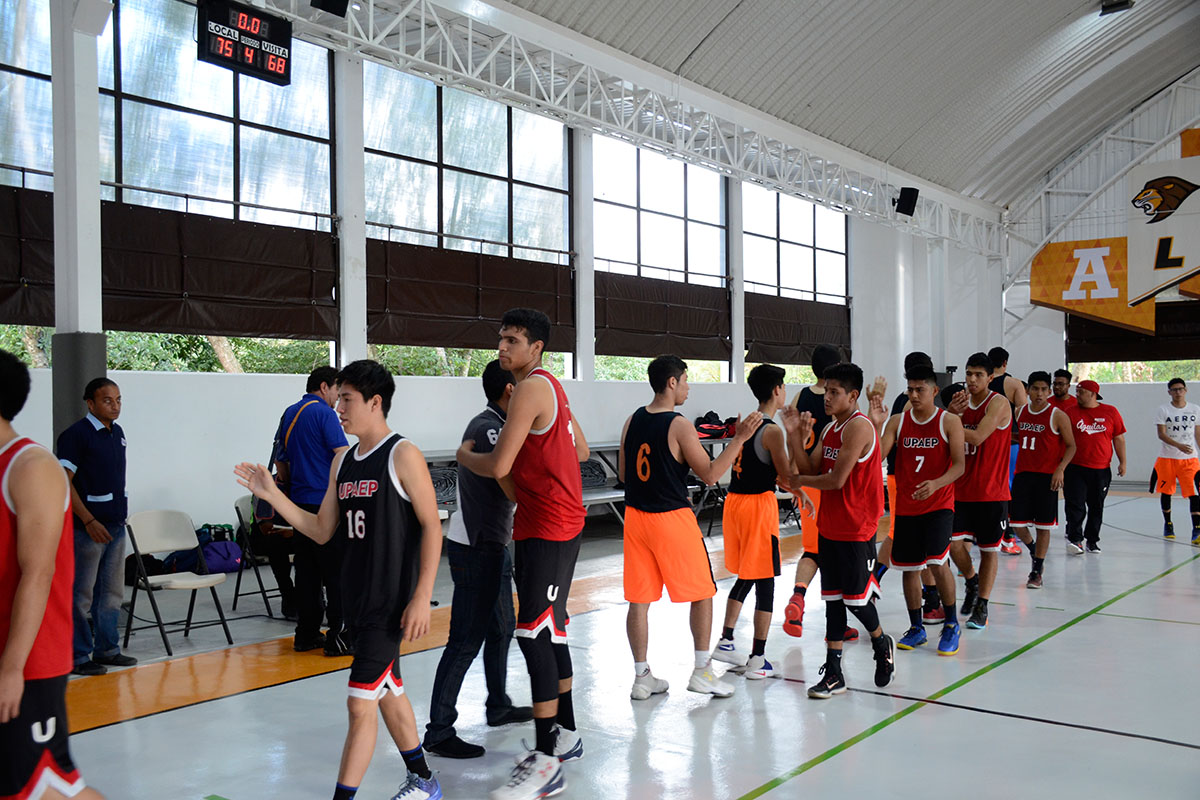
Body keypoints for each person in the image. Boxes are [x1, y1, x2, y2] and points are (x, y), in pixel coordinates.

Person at [236, 360, 443, 800]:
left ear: (375, 402)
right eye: (339, 399)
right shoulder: (342, 461)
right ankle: (423, 779)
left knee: (359, 701)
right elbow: (320, 529)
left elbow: (432, 526)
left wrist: (422, 595)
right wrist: (273, 495)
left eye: (347, 400)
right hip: (355, 599)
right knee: (386, 690)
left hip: (390, 602)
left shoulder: (402, 454)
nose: (339, 409)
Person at [455, 309, 589, 800]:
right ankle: (565, 733)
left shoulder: (533, 387)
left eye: (512, 339)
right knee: (550, 630)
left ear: (536, 348)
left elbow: (497, 463)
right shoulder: (544, 390)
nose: (502, 347)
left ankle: (546, 761)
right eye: (500, 338)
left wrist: (466, 456)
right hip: (540, 524)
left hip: (552, 527)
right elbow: (577, 453)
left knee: (532, 634)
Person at [2, 351, 107, 800]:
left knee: (47, 787)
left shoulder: (31, 466)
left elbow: (38, 574)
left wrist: (11, 667)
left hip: (28, 661)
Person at [619, 355, 756, 701]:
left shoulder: (631, 419)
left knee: (639, 599)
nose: (688, 387)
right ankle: (701, 672)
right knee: (702, 593)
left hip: (635, 518)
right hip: (670, 518)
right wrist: (738, 439)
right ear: (671, 383)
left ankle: (641, 677)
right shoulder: (679, 425)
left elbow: (623, 474)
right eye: (685, 380)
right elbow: (710, 474)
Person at [423, 361, 532, 759]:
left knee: (502, 628)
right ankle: (438, 731)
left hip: (493, 544)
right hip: (475, 546)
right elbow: (510, 481)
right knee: (465, 639)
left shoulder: (499, 424)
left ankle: (498, 704)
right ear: (509, 389)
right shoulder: (487, 427)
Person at [780, 362, 895, 699]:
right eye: (825, 391)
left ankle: (880, 642)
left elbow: (834, 480)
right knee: (832, 601)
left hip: (857, 528)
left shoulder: (858, 428)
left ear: (853, 395)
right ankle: (834, 673)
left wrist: (797, 481)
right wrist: (792, 437)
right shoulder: (831, 428)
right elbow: (809, 466)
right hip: (830, 525)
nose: (826, 397)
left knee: (856, 601)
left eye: (834, 392)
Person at [869, 365, 966, 656]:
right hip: (907, 506)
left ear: (934, 391)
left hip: (938, 504)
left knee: (937, 563)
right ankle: (917, 627)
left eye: (919, 389)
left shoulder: (949, 422)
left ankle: (951, 623)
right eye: (909, 389)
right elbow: (875, 458)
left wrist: (936, 483)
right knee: (909, 569)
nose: (913, 395)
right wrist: (875, 424)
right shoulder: (898, 421)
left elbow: (960, 465)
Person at [710, 365, 793, 679]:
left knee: (748, 574)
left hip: (735, 504)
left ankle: (728, 640)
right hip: (758, 507)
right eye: (783, 386)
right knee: (767, 582)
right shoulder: (771, 430)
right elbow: (787, 475)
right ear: (776, 390)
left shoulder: (746, 422)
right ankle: (758, 658)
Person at [55, 378, 137, 677]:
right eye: (107, 400)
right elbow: (63, 481)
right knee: (82, 594)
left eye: (118, 400)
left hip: (115, 524)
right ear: (90, 403)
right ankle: (78, 654)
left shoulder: (117, 434)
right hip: (87, 528)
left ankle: (108, 648)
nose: (114, 406)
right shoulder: (76, 435)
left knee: (112, 592)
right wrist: (88, 520)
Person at [781, 345, 858, 642]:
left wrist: (795, 479)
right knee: (838, 553)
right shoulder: (842, 400)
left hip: (809, 480)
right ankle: (838, 625)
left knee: (813, 549)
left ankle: (799, 597)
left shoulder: (802, 396)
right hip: (834, 483)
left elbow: (795, 443)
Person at [274, 367, 351, 655]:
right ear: (324, 386)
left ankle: (305, 635)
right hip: (325, 503)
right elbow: (342, 455)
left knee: (306, 571)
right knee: (335, 571)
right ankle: (339, 636)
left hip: (299, 503)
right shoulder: (323, 414)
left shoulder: (289, 413)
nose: (338, 399)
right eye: (337, 391)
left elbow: (281, 464)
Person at [873, 351, 944, 625]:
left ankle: (876, 578)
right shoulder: (912, 407)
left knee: (897, 533)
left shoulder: (902, 400)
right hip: (910, 479)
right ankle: (932, 600)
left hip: (902, 477)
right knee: (917, 542)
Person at [947, 352, 1012, 631]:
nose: (972, 380)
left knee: (989, 551)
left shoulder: (998, 403)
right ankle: (971, 581)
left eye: (978, 375)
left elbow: (977, 436)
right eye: (968, 374)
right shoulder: (959, 403)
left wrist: (949, 420)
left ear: (990, 377)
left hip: (991, 491)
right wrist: (951, 414)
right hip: (960, 489)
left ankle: (982, 605)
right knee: (951, 545)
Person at [1008, 372, 1076, 588]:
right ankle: (1034, 551)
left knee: (1043, 525)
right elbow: (1023, 437)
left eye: (1043, 389)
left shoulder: (1057, 415)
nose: (1039, 393)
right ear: (1027, 391)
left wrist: (1060, 469)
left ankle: (1036, 569)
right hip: (1023, 474)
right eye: (1035, 389)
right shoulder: (1020, 412)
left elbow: (1072, 445)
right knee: (1017, 524)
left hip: (1047, 476)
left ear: (1049, 391)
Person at [1063, 380, 1127, 554]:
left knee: (1096, 505)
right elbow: (1061, 439)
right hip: (1075, 467)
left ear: (1093, 394)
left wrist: (1123, 462)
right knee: (1075, 504)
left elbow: (1119, 438)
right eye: (1076, 391)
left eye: (1081, 392)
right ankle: (1076, 540)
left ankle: (1092, 540)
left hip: (1100, 469)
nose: (1077, 395)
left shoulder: (1110, 412)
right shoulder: (1069, 413)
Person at [988, 346, 1027, 556]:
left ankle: (981, 533)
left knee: (987, 487)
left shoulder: (978, 384)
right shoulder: (1013, 384)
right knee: (1007, 489)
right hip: (1009, 443)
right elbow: (1024, 415)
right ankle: (1008, 535)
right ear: (1005, 363)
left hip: (983, 444)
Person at [1153, 379, 1198, 542]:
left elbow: (1197, 434)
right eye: (1174, 390)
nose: (1177, 392)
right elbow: (1161, 434)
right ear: (1169, 392)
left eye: (1180, 389)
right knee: (1166, 492)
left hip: (1190, 460)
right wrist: (1178, 445)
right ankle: (1168, 523)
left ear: (1185, 390)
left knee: (1194, 493)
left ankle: (1197, 529)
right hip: (1167, 459)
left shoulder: (1195, 409)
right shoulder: (1163, 410)